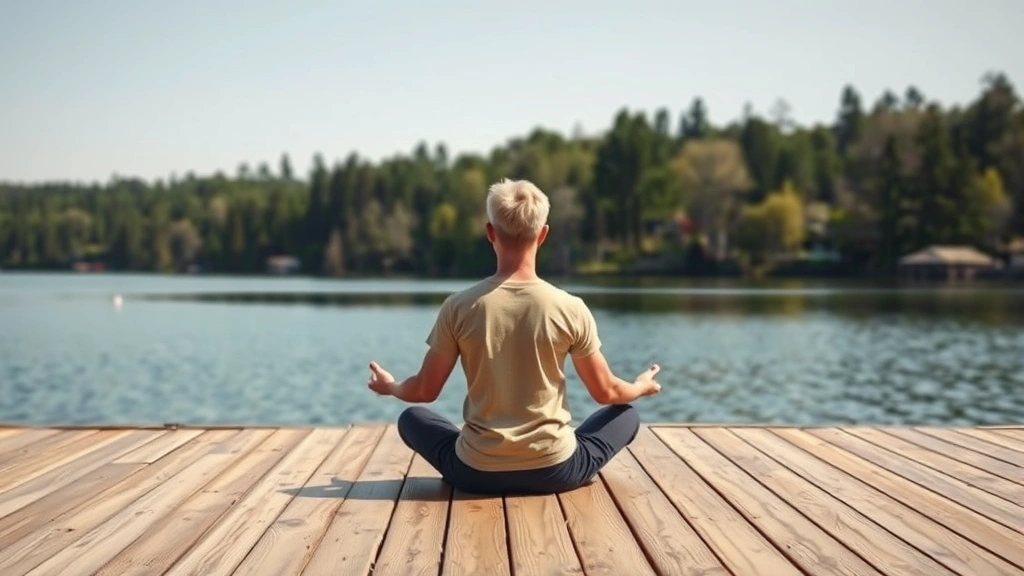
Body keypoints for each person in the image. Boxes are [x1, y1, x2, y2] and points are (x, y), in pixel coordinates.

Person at [367, 178, 661, 495]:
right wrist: (640, 387)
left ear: (490, 233)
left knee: (411, 418)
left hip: (475, 472)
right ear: (543, 234)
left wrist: (392, 387)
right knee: (626, 414)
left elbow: (425, 390)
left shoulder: (459, 306)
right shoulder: (570, 308)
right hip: (555, 470)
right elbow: (606, 392)